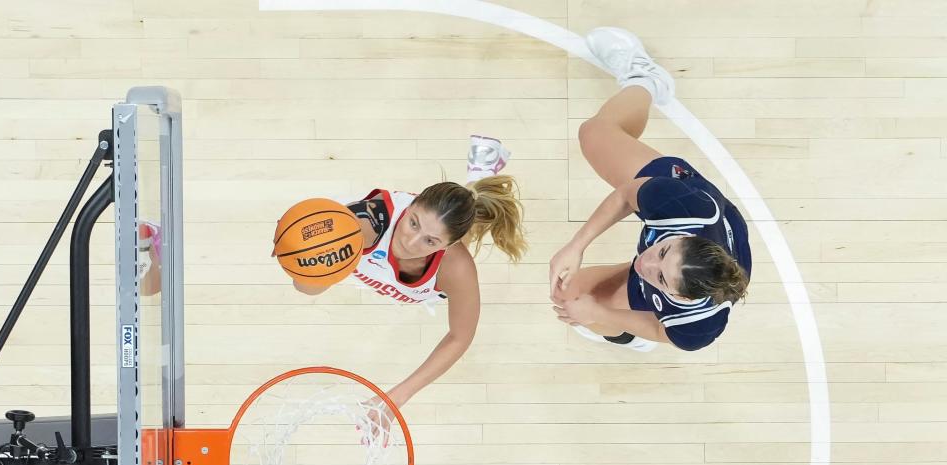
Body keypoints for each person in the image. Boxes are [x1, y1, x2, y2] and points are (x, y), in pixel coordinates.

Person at [550, 28, 752, 352]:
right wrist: (577, 245)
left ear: (681, 297)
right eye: (662, 251)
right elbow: (626, 194)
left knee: (571, 298)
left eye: (660, 278)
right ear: (685, 237)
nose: (645, 264)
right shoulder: (683, 207)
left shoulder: (697, 326)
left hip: (675, 291)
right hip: (688, 196)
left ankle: (624, 336)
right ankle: (646, 79)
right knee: (593, 134)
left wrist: (600, 313)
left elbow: (661, 331)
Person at [294, 136, 526, 417]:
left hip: (429, 279)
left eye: (429, 241)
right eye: (412, 222)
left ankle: (479, 179)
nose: (411, 242)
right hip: (371, 245)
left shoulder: (456, 266)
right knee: (444, 220)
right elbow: (306, 289)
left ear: (447, 247)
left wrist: (396, 397)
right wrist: (305, 258)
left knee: (467, 224)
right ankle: (475, 182)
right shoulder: (362, 227)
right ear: (410, 205)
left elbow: (460, 337)